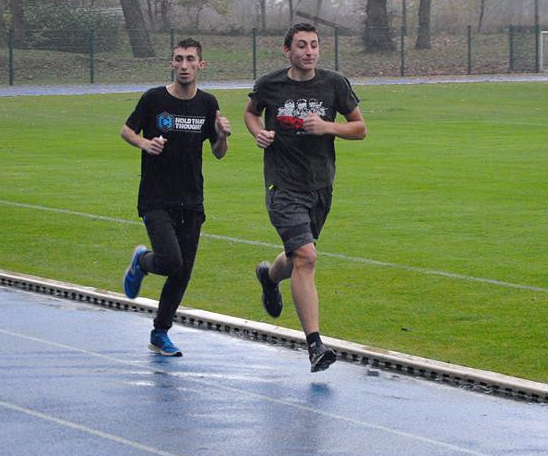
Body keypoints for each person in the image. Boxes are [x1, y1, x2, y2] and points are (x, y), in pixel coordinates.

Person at [244, 22, 366, 372]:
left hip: (320, 185)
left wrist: (328, 127)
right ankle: (315, 345)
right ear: (288, 51)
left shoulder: (334, 84)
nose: (309, 52)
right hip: (282, 185)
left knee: (296, 256)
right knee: (307, 257)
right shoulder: (271, 84)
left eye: (314, 45)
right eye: (301, 46)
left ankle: (269, 278)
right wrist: (259, 132)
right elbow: (251, 111)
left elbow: (360, 128)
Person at [120, 38, 231, 356]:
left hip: (192, 199)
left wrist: (222, 135)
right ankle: (141, 261)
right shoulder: (154, 98)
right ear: (172, 63)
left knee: (181, 273)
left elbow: (219, 153)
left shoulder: (208, 104)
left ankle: (160, 333)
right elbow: (127, 130)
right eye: (179, 59)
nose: (184, 65)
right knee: (169, 260)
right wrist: (144, 144)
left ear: (201, 65)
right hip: (156, 197)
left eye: (190, 60)